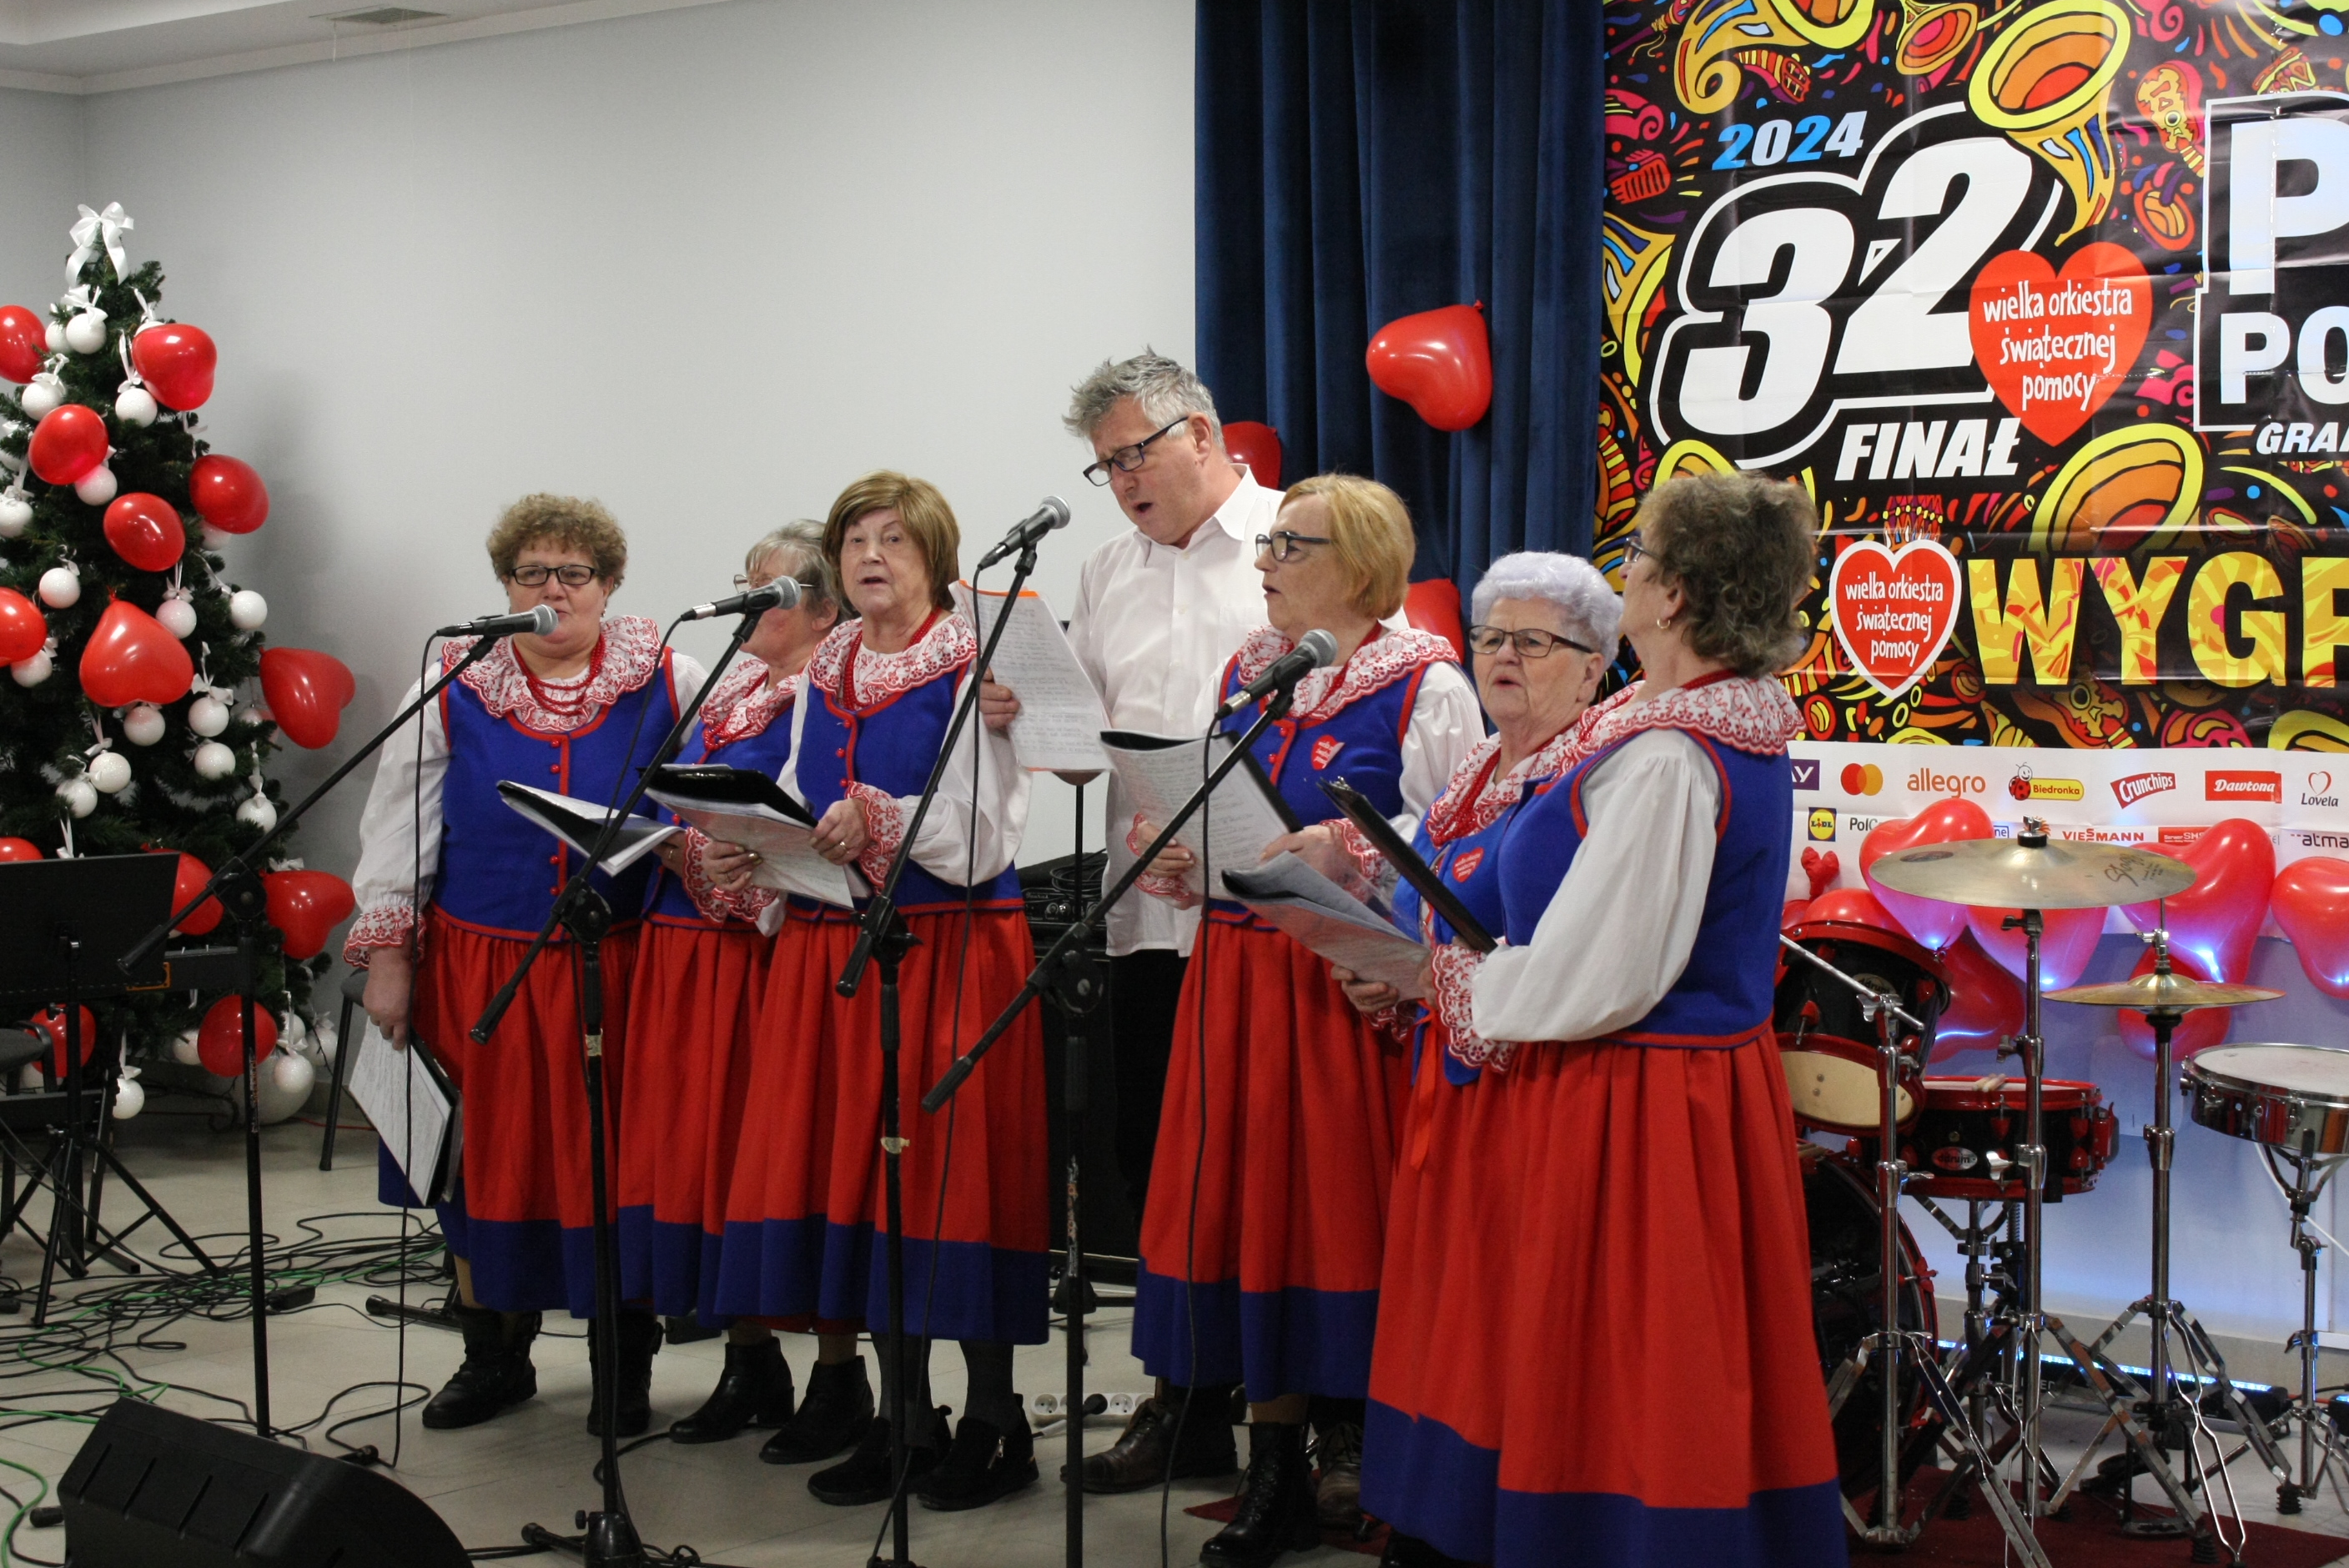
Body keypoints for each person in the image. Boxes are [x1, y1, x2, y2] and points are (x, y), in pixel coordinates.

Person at [1466, 475, 1841, 1568]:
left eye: (1635, 561)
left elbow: (1605, 968)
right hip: (1681, 1087)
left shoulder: (1672, 754)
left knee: (1638, 1368)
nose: (1623, 576)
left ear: (1672, 596)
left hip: (1644, 1099)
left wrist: (1465, 986)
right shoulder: (1687, 727)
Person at [1131, 474, 1482, 1566]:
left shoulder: (1425, 682)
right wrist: (1183, 856)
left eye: (1293, 545)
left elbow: (1455, 841)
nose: (1267, 561)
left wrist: (1351, 850)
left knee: (1336, 1217)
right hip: (1235, 977)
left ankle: (1365, 1446)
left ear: (1363, 567)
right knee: (1250, 1215)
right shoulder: (1250, 672)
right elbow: (1221, 802)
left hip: (1340, 989)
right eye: (1269, 543)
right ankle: (1270, 1462)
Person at [712, 471, 1049, 1514]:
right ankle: (904, 1419)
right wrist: (753, 846)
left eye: (893, 538)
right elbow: (804, 794)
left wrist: (879, 816)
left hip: (950, 947)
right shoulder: (829, 664)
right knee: (862, 1185)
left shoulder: (976, 659)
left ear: (935, 556)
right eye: (854, 538)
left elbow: (984, 828)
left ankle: (993, 1418)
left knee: (955, 1183)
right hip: (837, 950)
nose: (868, 555)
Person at [981, 351, 1283, 1495]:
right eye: (1103, 465)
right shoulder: (1106, 569)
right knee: (1159, 1163)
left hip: (1266, 918)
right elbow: (1081, 753)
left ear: (1200, 433)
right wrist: (1028, 716)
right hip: (1145, 916)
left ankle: (1306, 1425)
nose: (1120, 481)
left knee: (1271, 1171)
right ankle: (1183, 1404)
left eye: (1133, 455)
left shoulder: (1294, 536)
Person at [349, 494, 706, 1433]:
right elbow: (399, 824)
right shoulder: (455, 675)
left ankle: (622, 1363)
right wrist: (389, 956)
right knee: (479, 1164)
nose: (553, 590)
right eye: (531, 573)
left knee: (612, 1166)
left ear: (609, 583)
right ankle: (493, 1354)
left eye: (573, 573)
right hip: (479, 965)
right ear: (505, 584)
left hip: (617, 969)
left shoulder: (671, 674)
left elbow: (710, 801)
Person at [1334, 553, 1620, 1568]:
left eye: (1531, 641)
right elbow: (1425, 913)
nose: (1502, 655)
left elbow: (1573, 953)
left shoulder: (1595, 772)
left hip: (1530, 1096)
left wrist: (1434, 977)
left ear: (1593, 665)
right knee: (1439, 1325)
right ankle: (1434, 1519)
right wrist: (1384, 968)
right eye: (1491, 636)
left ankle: (1499, 1528)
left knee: (1500, 1328)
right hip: (1446, 1088)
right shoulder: (1473, 773)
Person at [615, 520, 843, 1445]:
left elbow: (791, 824)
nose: (747, 602)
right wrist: (668, 840)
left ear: (823, 609)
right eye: (744, 582)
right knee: (698, 1160)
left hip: (753, 957)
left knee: (756, 1160)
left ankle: (819, 1370)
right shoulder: (732, 681)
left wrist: (713, 857)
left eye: (770, 590)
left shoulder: (823, 691)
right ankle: (748, 1361)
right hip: (680, 948)